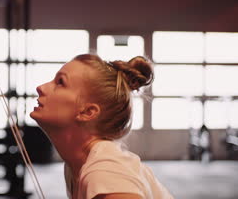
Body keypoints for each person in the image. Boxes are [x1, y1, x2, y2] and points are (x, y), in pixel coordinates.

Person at [30, 54, 173, 199]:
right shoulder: (75, 165)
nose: (40, 88)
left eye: (60, 82)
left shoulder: (105, 170)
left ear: (88, 112)